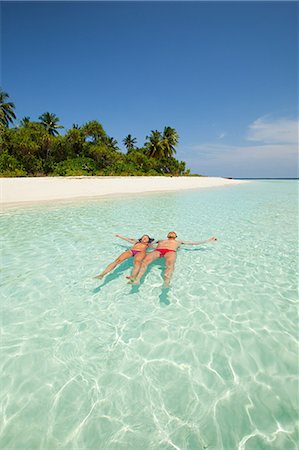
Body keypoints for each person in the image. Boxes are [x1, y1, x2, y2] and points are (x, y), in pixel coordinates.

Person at [130, 231, 217, 287]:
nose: (171, 233)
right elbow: (149, 243)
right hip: (158, 250)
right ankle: (137, 279)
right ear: (167, 235)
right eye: (170, 232)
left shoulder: (178, 241)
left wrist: (208, 240)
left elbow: (194, 243)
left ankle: (166, 283)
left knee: (170, 264)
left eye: (173, 233)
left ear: (175, 236)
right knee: (145, 261)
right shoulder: (161, 240)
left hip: (170, 251)